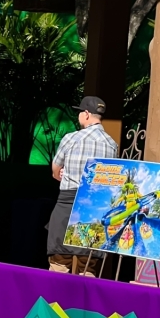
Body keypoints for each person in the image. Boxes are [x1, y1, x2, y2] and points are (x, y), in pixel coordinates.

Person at [46, 95, 118, 275]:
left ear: (86, 114)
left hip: (68, 203)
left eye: (79, 112)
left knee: (59, 263)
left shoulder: (71, 138)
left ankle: (56, 301)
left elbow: (55, 170)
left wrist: (62, 175)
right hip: (94, 206)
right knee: (88, 266)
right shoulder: (112, 145)